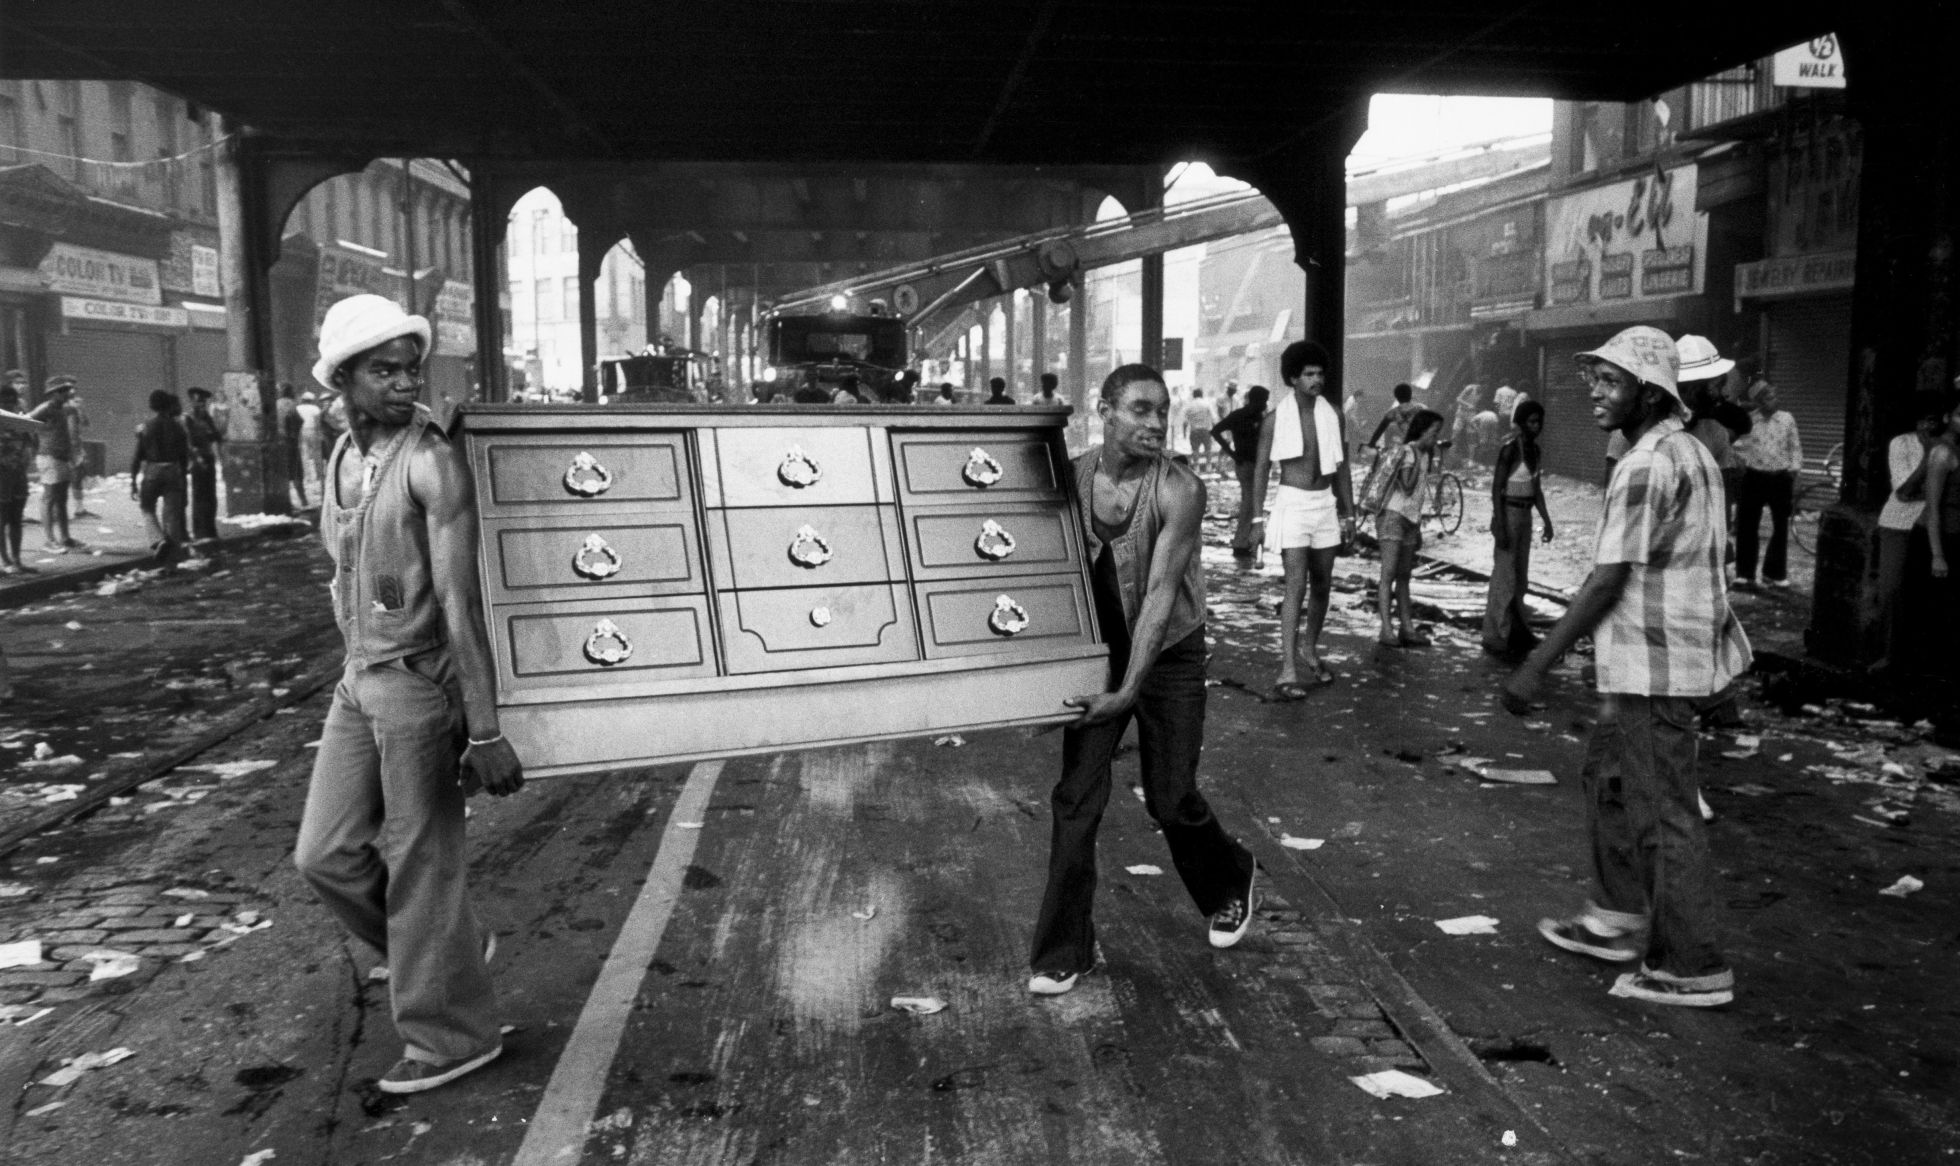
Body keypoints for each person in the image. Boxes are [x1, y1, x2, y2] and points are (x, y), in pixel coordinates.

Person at [293, 293, 524, 1094]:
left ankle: (453, 1035)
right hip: (360, 679)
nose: (403, 383)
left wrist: (485, 729)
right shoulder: (340, 459)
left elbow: (462, 603)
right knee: (323, 853)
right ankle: (438, 952)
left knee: (423, 862)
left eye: (410, 369)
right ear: (343, 380)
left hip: (420, 684)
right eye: (383, 371)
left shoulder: (432, 462)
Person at [1503, 325, 1750, 1008]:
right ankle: (1614, 917)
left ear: (1650, 392)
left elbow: (1608, 580)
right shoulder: (1688, 451)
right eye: (1594, 381)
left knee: (1661, 811)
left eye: (1611, 383)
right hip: (1652, 657)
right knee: (1608, 776)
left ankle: (1693, 965)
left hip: (1652, 663)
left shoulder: (1647, 464)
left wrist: (1537, 666)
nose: (1594, 395)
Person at [1028, 362, 1257, 996]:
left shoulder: (1180, 489)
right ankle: (1065, 948)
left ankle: (1230, 878)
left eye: (1162, 410)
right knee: (1076, 797)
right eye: (1140, 409)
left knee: (1170, 796)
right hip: (1099, 648)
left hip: (1170, 653)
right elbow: (1039, 573)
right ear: (1103, 411)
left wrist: (1128, 691)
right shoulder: (1068, 476)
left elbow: (1158, 595)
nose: (1157, 422)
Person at [1250, 341, 1355, 698]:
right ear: (1293, 378)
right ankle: (1288, 668)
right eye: (1309, 374)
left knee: (1323, 583)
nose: (1317, 380)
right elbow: (1262, 468)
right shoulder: (1275, 419)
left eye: (1320, 373)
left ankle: (1310, 648)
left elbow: (1342, 466)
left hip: (1325, 504)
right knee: (1295, 584)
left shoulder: (1334, 414)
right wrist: (1255, 518)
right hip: (1291, 504)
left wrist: (1350, 513)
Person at [1871, 405, 1944, 676]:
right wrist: (1927, 458)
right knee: (1892, 589)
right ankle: (1889, 655)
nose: (1929, 426)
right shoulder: (1901, 443)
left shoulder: (1948, 447)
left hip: (1931, 525)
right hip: (1899, 523)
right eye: (1924, 420)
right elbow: (1903, 491)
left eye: (1934, 420)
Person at [1481, 400, 1555, 657]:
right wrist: (1499, 524)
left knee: (1520, 578)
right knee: (1504, 578)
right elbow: (1496, 489)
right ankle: (1495, 635)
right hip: (1509, 514)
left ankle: (1517, 631)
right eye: (1533, 421)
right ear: (1523, 423)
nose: (1537, 426)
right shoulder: (1510, 449)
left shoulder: (1535, 451)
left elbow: (1536, 490)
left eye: (1539, 422)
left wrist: (1547, 521)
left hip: (1525, 516)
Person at [1374, 409, 1444, 648]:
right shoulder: (1409, 452)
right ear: (1422, 430)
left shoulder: (1425, 454)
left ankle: (1407, 628)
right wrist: (1415, 454)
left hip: (1410, 519)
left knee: (1404, 576)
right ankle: (1386, 629)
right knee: (1389, 574)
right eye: (1434, 433)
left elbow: (1419, 495)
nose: (1436, 438)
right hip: (1392, 515)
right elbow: (1406, 486)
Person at [1732, 375, 1803, 590]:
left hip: (1780, 477)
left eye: (1775, 396)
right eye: (1769, 398)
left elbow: (1795, 447)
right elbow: (1735, 445)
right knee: (1747, 526)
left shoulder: (1787, 419)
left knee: (1780, 526)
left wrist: (1794, 471)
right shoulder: (1750, 421)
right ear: (1759, 402)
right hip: (1754, 477)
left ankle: (1774, 573)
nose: (1774, 400)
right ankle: (1745, 574)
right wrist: (1742, 462)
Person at [129, 389, 192, 556]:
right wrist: (183, 477)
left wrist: (133, 482)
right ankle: (173, 561)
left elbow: (137, 457)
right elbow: (184, 455)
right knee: (172, 516)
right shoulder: (178, 427)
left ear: (152, 406)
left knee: (147, 506)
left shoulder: (146, 427)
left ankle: (158, 540)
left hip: (153, 471)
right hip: (173, 470)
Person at [1211, 384, 1269, 561]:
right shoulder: (1251, 416)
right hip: (1248, 464)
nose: (1265, 404)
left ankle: (1247, 540)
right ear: (1256, 400)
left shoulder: (1250, 416)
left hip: (1248, 463)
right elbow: (1215, 431)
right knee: (1250, 504)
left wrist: (1232, 453)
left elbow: (1216, 431)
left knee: (1251, 502)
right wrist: (1232, 453)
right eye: (1263, 401)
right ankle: (1241, 542)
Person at [26, 376, 82, 554]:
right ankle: (50, 540)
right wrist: (36, 445)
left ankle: (65, 537)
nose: (67, 393)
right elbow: (25, 424)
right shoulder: (45, 408)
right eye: (63, 391)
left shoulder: (66, 409)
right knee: (49, 497)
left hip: (62, 458)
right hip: (49, 457)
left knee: (62, 498)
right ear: (54, 393)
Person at [0, 379, 42, 574]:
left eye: (11, 401)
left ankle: (16, 559)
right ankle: (5, 559)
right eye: (4, 401)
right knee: (2, 518)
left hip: (18, 474)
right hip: (2, 475)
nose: (8, 404)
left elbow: (33, 442)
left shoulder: (20, 421)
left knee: (16, 518)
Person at [184, 386, 227, 544]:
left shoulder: (207, 418)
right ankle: (200, 530)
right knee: (200, 495)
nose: (200, 406)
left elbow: (216, 436)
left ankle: (210, 528)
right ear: (192, 403)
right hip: (198, 460)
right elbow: (189, 442)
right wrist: (196, 458)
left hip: (208, 457)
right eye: (198, 403)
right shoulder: (188, 419)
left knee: (210, 496)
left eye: (202, 403)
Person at [1365, 382, 1421, 456]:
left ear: (1396, 397)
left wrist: (1371, 443)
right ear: (1411, 395)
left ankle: (1387, 450)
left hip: (1406, 447)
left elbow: (1380, 430)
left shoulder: (1393, 412)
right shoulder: (1421, 408)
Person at [277, 382, 308, 507]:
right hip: (291, 443)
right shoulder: (291, 404)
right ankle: (303, 500)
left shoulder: (276, 404)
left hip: (279, 443)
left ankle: (286, 502)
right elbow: (298, 420)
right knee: (296, 472)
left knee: (282, 473)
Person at [66, 388, 94, 517]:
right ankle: (56, 511)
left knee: (78, 476)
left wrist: (80, 409)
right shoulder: (63, 410)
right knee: (63, 480)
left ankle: (79, 508)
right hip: (67, 447)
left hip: (76, 446)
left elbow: (86, 423)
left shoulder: (76, 410)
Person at [1183, 386, 1218, 473]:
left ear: (1193, 395)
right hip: (1206, 430)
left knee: (1195, 450)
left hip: (1194, 430)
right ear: (1202, 395)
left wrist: (1184, 432)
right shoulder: (1207, 404)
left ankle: (1196, 467)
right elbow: (1214, 418)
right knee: (1208, 449)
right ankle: (1208, 467)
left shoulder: (1189, 405)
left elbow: (1185, 421)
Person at [297, 389, 325, 496]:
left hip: (302, 431)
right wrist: (319, 433)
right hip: (313, 430)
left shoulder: (298, 408)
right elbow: (318, 422)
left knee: (304, 454)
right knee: (317, 453)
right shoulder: (315, 408)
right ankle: (319, 474)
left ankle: (307, 477)